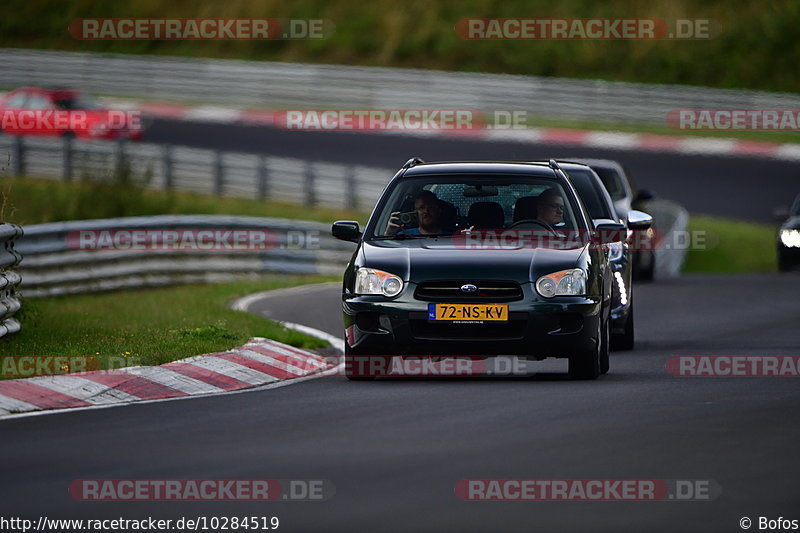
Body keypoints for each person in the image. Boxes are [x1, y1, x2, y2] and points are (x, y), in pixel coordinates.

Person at [386, 190, 451, 235]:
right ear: (415, 212)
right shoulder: (404, 237)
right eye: (422, 208)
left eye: (430, 207)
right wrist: (388, 234)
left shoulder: (452, 238)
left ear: (438, 211)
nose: (426, 211)